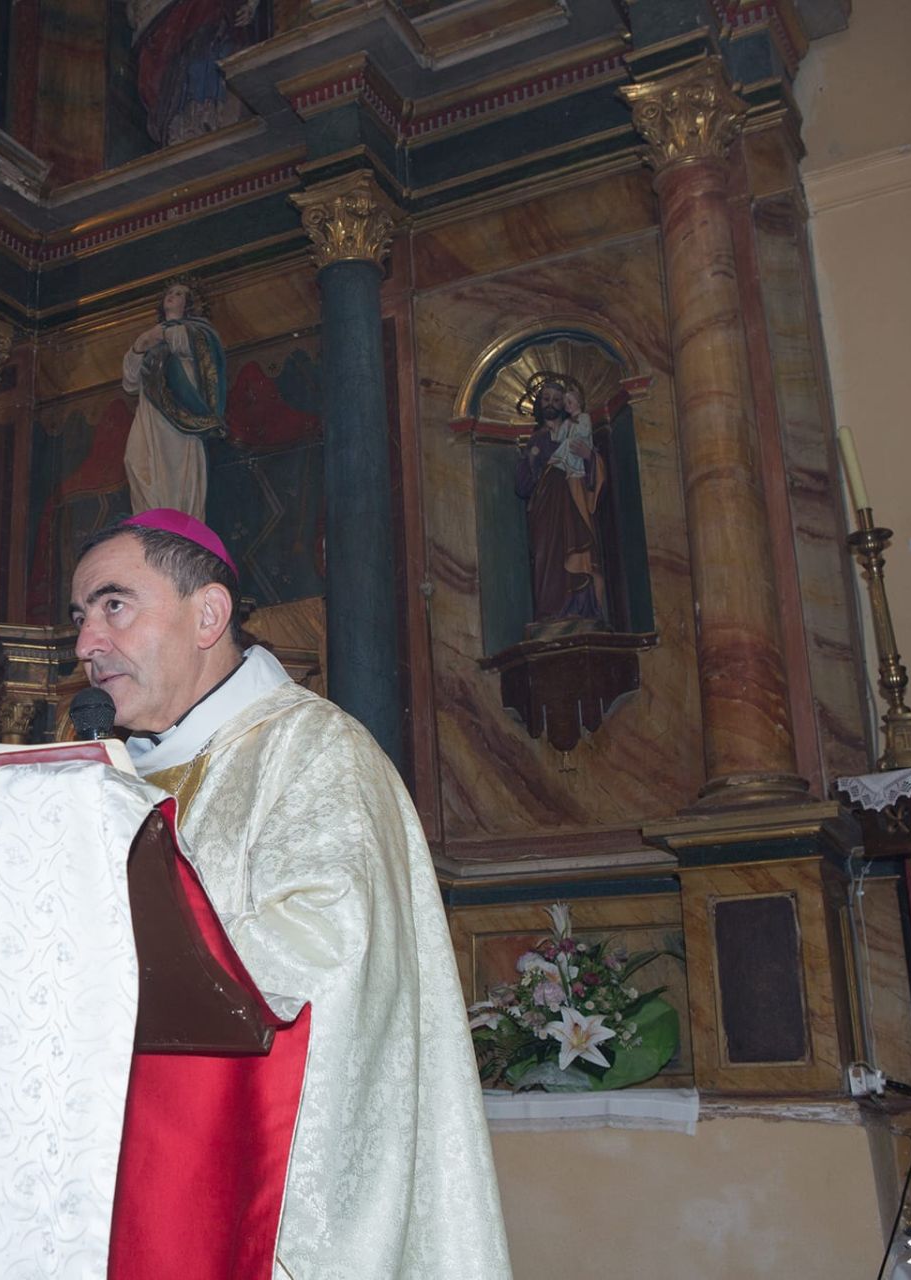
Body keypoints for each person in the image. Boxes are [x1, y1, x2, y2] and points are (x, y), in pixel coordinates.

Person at [68, 508, 511, 1280]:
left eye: (114, 606)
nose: (85, 645)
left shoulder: (315, 752)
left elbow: (323, 952)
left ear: (208, 614)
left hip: (255, 1180)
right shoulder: (104, 782)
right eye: (80, 617)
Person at [121, 279, 227, 521]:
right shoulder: (151, 335)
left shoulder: (197, 331)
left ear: (189, 304)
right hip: (150, 408)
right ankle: (151, 521)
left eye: (179, 293)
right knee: (135, 460)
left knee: (176, 466)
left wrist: (159, 335)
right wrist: (142, 343)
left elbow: (195, 347)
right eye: (169, 292)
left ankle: (176, 522)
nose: (172, 296)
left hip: (179, 408)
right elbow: (129, 380)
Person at [514, 377, 607, 633]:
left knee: (581, 553)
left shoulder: (578, 428)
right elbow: (521, 486)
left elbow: (596, 473)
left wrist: (589, 457)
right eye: (546, 399)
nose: (552, 404)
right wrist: (532, 461)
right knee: (549, 561)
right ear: (538, 404)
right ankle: (551, 613)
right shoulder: (537, 441)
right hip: (546, 512)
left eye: (558, 400)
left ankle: (583, 610)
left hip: (575, 501)